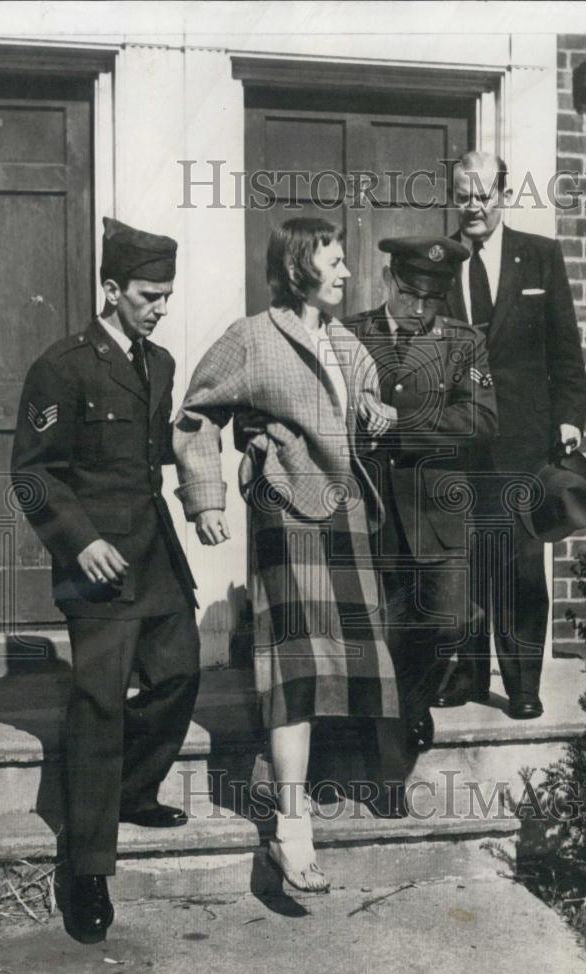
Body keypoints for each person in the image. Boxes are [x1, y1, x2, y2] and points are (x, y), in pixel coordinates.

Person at [172, 217, 398, 892]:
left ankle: (287, 792)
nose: (347, 273)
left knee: (339, 664)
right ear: (300, 265)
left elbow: (367, 402)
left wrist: (376, 414)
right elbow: (195, 417)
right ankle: (291, 832)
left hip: (345, 513)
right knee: (294, 664)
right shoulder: (251, 337)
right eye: (333, 262)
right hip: (284, 506)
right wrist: (206, 498)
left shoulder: (347, 341)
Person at [11, 218, 200, 944]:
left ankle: (127, 791)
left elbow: (156, 455)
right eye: (149, 295)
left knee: (180, 673)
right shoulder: (62, 367)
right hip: (96, 565)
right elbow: (31, 475)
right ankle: (87, 866)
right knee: (97, 704)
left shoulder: (162, 362)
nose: (159, 307)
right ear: (112, 289)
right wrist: (79, 541)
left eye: (167, 296)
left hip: (153, 553)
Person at [439, 151, 586, 719]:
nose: (473, 205)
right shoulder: (440, 261)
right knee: (468, 559)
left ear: (503, 195)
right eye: (463, 194)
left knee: (522, 564)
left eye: (483, 194)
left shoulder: (541, 257)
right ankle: (468, 674)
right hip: (458, 441)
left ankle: (522, 683)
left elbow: (565, 350)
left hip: (526, 442)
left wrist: (570, 416)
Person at [343, 237, 498, 773]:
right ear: (388, 279)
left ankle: (410, 703)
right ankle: (391, 759)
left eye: (433, 300)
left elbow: (481, 419)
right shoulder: (350, 335)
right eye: (410, 294)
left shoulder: (466, 343)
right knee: (384, 635)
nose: (420, 309)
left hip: (437, 516)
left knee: (449, 619)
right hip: (373, 512)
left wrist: (399, 423)